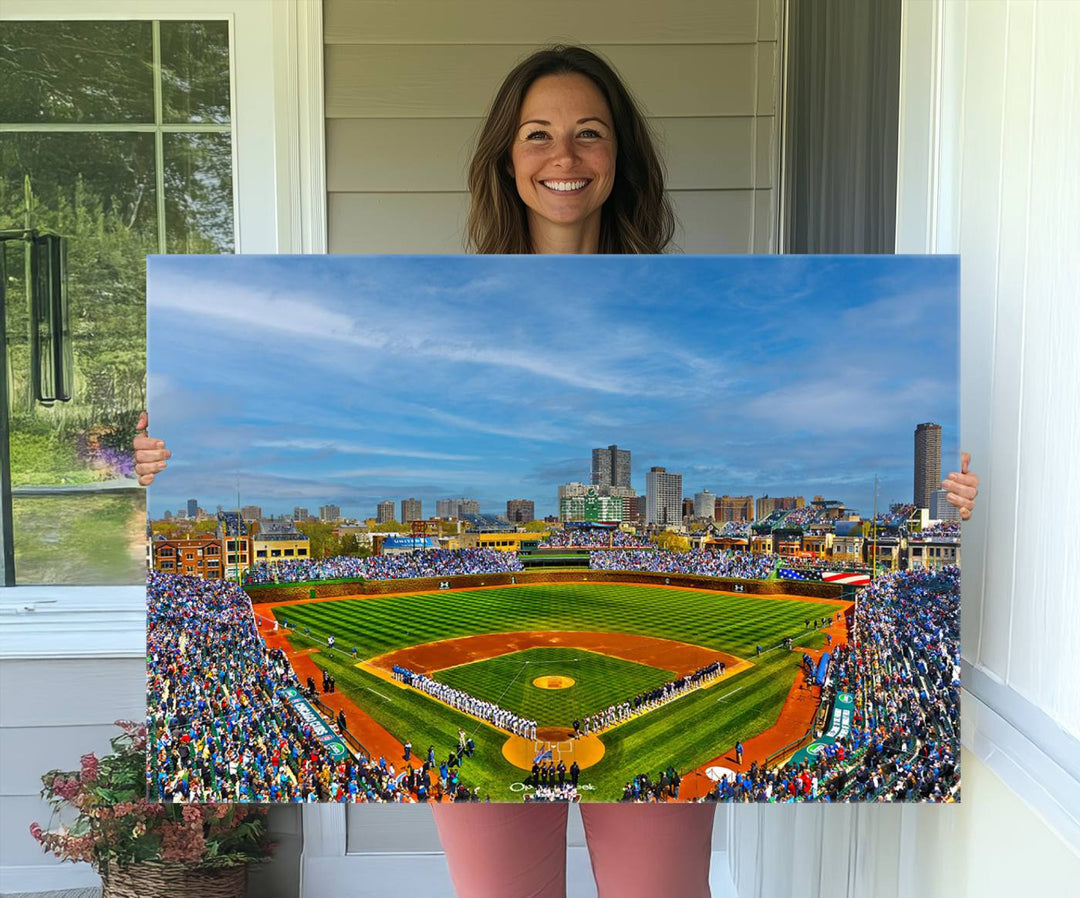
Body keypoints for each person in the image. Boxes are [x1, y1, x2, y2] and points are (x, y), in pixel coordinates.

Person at [134, 43, 980, 898]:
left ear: (620, 158)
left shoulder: (676, 306)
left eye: (589, 134)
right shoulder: (447, 305)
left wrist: (948, 508)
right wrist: (159, 464)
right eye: (537, 134)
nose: (563, 157)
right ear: (507, 158)